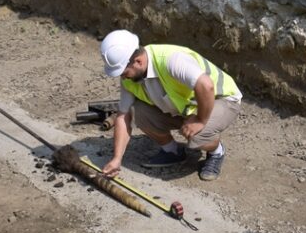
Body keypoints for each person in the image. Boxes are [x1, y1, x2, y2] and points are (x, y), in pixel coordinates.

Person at [98, 30, 242, 181]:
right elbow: (123, 116)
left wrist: (200, 120)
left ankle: (216, 152)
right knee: (138, 111)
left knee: (199, 134)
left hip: (221, 99)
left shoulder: (171, 60)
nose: (122, 76)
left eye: (123, 71)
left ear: (138, 61)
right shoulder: (130, 77)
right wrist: (117, 158)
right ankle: (172, 152)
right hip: (186, 107)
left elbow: (206, 86)